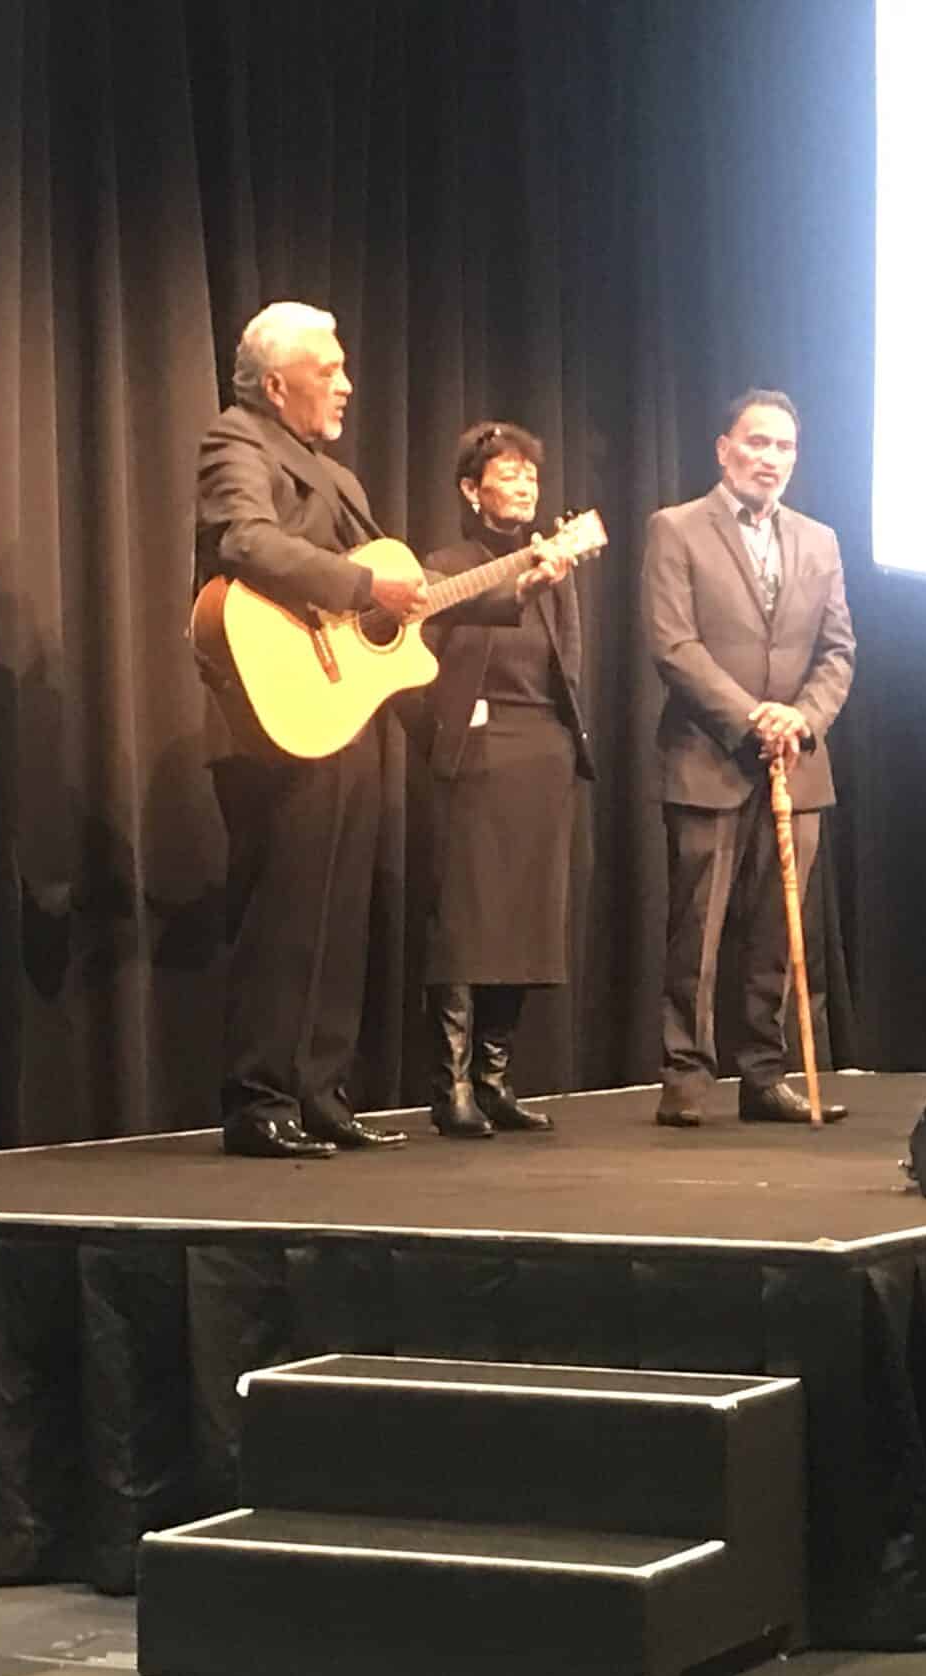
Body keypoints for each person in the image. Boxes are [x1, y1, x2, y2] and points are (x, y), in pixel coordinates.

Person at [194, 301, 429, 1158]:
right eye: (328, 370)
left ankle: (322, 1092)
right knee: (286, 910)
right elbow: (244, 541)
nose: (347, 384)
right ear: (274, 383)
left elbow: (395, 590)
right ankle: (260, 1099)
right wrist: (362, 587)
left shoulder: (338, 477)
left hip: (342, 710)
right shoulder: (237, 440)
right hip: (277, 711)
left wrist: (510, 585)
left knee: (340, 910)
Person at [642, 388, 857, 1127]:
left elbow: (838, 651)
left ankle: (765, 1074)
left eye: (784, 447)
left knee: (776, 933)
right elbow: (673, 643)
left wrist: (802, 717)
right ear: (724, 449)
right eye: (757, 442)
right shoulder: (676, 528)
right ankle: (685, 1077)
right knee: (696, 931)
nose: (770, 458)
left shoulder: (820, 541)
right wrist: (749, 717)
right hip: (708, 756)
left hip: (796, 761)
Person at [417, 422, 592, 1138]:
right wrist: (443, 730)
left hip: (541, 752)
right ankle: (451, 1085)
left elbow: (566, 665)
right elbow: (418, 663)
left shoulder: (554, 566)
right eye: (508, 473)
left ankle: (494, 1081)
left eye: (531, 476)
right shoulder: (444, 567)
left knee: (523, 920)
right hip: (476, 753)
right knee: (466, 921)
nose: (523, 486)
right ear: (471, 489)